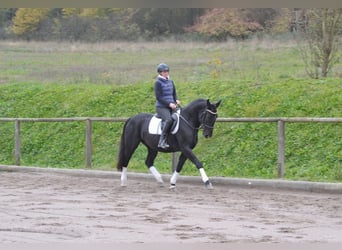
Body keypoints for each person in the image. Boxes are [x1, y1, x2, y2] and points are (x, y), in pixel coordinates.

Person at [154, 63, 180, 148]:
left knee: (182, 116)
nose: (166, 73)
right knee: (169, 120)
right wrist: (169, 104)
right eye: (164, 71)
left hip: (172, 105)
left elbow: (174, 93)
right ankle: (161, 141)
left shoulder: (170, 81)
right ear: (160, 73)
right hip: (161, 107)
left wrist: (176, 99)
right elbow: (159, 97)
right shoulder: (157, 82)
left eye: (167, 71)